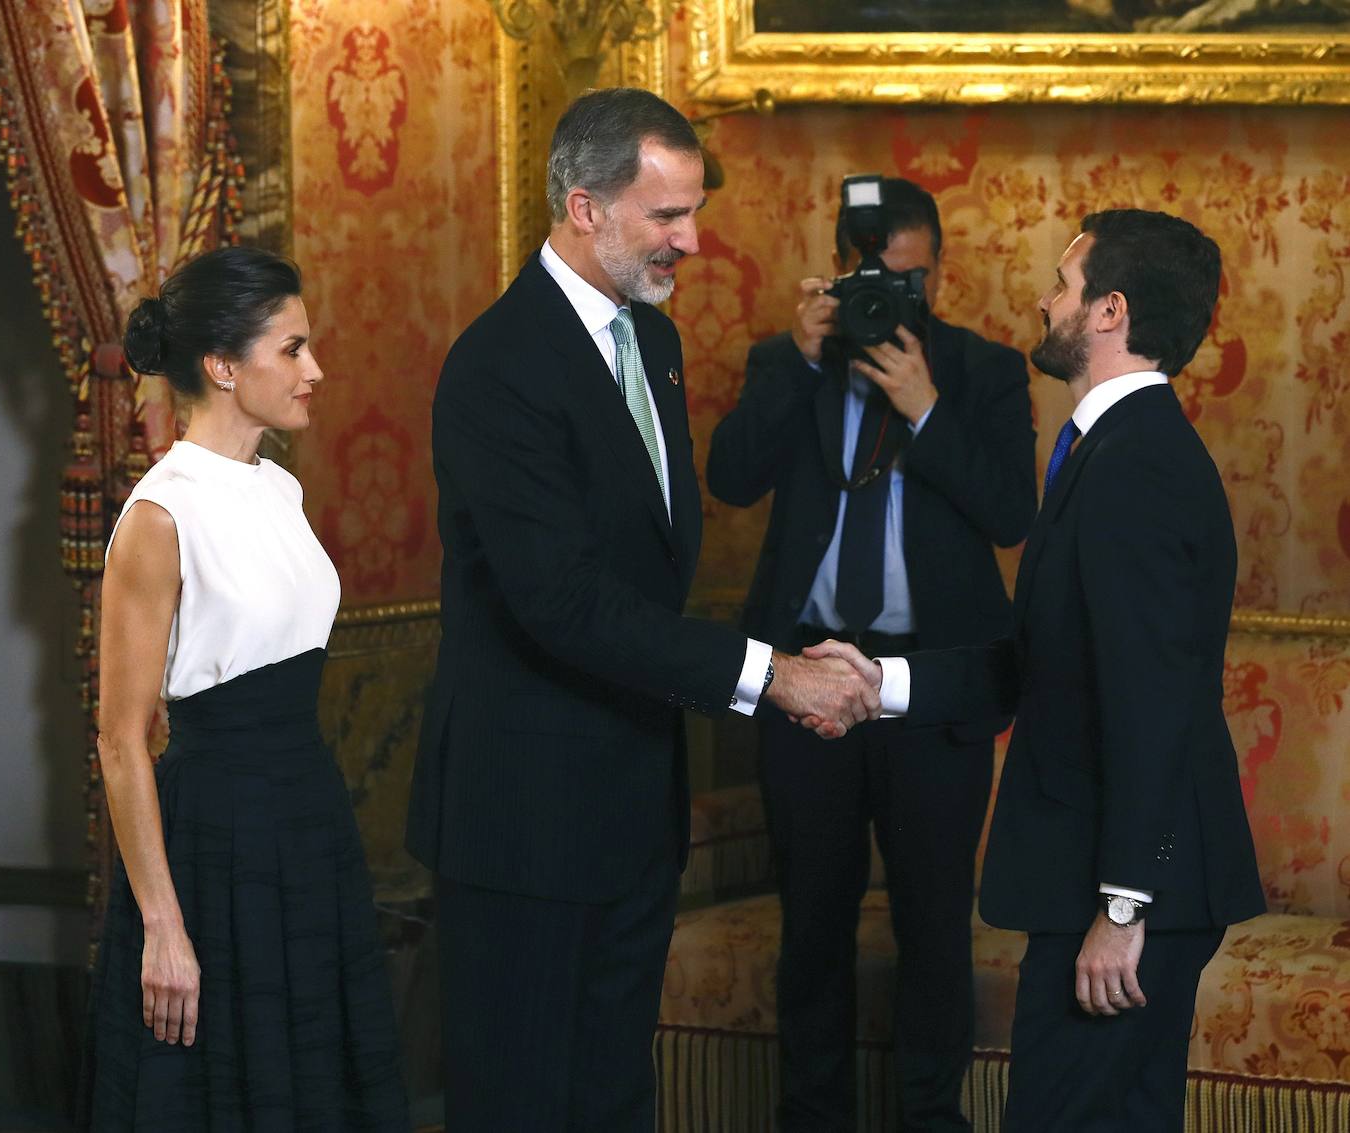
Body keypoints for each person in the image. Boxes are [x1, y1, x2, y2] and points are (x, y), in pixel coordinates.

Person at [403, 87, 880, 1133]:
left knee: (617, 1102)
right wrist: (775, 673)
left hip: (631, 808)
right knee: (523, 1106)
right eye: (668, 216)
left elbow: (649, 565)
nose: (694, 241)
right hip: (522, 817)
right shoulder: (498, 365)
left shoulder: (651, 345)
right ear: (584, 207)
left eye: (693, 211)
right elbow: (565, 601)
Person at [807, 208, 1266, 1132]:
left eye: (1063, 284)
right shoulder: (1110, 450)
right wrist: (882, 682)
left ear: (1109, 312)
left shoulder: (1136, 465)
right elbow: (1047, 669)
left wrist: (1125, 905)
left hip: (1124, 887)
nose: (1044, 299)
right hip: (1110, 877)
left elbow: (1154, 705)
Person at [706, 176, 1037, 1132]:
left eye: (913, 281)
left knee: (934, 920)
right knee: (812, 920)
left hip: (931, 692)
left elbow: (1012, 514)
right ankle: (812, 1117)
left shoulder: (980, 370)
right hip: (804, 681)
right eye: (874, 282)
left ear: (934, 271)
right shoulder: (787, 359)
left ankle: (932, 1119)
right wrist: (804, 364)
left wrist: (929, 409)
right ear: (842, 275)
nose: (894, 302)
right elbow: (729, 478)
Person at [77, 247, 409, 1130]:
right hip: (215, 836)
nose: (316, 370)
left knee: (313, 1083)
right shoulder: (161, 512)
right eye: (293, 349)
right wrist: (162, 926)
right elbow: (120, 740)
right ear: (224, 365)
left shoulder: (282, 490)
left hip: (307, 818)